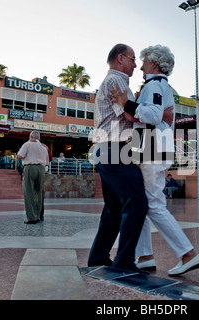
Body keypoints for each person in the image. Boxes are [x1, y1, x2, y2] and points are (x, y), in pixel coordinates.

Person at [111, 44, 199, 276]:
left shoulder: (154, 84)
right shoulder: (161, 86)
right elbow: (154, 114)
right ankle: (145, 256)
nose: (140, 66)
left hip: (151, 149)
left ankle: (187, 253)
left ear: (153, 63)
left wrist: (126, 104)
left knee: (152, 204)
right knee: (140, 201)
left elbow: (151, 115)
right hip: (153, 148)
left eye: (143, 61)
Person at [87, 43, 149, 271]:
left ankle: (98, 258)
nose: (136, 64)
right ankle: (124, 262)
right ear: (120, 58)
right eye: (133, 59)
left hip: (105, 150)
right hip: (115, 149)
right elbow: (130, 117)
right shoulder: (116, 81)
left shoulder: (114, 81)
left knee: (113, 208)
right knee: (138, 203)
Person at [17, 130, 49, 224]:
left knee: (28, 192)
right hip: (41, 169)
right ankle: (38, 216)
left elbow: (20, 155)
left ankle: (31, 218)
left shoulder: (27, 144)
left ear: (30, 136)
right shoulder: (44, 148)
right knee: (38, 193)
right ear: (39, 138)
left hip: (30, 168)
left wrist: (19, 153)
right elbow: (47, 162)